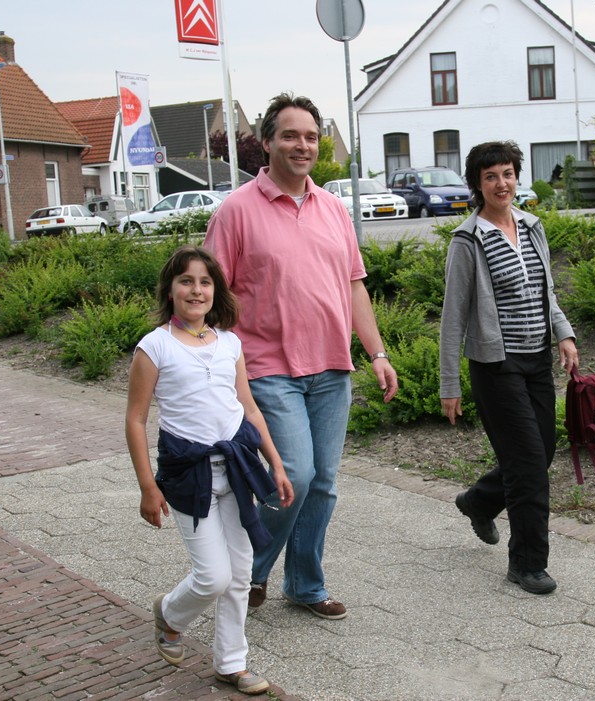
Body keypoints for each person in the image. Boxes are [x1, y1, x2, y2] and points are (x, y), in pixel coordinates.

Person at [204, 92, 398, 621]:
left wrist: (377, 353)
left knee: (323, 484)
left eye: (311, 136)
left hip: (332, 367)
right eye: (290, 135)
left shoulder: (333, 208)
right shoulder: (236, 211)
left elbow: (354, 286)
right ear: (266, 143)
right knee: (296, 472)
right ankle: (250, 570)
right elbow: (212, 295)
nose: (302, 145)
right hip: (268, 369)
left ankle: (306, 584)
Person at [125, 245, 294, 696]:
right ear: (170, 290)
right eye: (186, 281)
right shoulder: (154, 347)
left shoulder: (229, 343)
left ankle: (231, 664)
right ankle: (170, 614)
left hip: (237, 471)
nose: (196, 290)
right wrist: (147, 486)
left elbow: (249, 409)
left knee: (239, 575)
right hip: (189, 476)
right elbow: (136, 420)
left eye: (205, 282)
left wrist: (276, 463)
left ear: (215, 290)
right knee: (212, 576)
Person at [439, 140, 579, 595]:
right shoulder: (467, 240)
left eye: (508, 174)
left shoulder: (532, 226)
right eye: (491, 177)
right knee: (528, 466)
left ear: (517, 177)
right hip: (495, 365)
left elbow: (546, 290)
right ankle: (527, 564)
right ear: (477, 185)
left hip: (537, 358)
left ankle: (479, 502)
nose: (502, 183)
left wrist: (564, 333)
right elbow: (453, 317)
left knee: (541, 453)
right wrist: (449, 384)